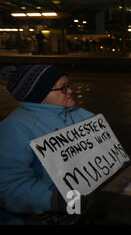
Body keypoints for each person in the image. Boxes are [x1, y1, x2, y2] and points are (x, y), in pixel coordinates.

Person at [0, 65, 95, 224]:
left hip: (83, 208)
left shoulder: (80, 113)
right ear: (41, 95)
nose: (70, 91)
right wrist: (55, 199)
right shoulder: (14, 128)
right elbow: (8, 185)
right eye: (63, 88)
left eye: (69, 85)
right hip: (44, 216)